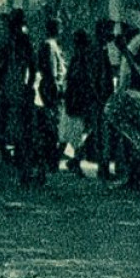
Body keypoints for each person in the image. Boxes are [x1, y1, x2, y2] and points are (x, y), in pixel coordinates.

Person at [105, 8, 140, 189]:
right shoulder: (133, 42)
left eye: (126, 26)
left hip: (138, 96)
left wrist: (125, 51)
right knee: (128, 139)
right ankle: (132, 177)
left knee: (138, 138)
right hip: (126, 94)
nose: (123, 30)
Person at [0, 9, 36, 170]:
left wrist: (0, 85)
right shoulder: (24, 41)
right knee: (18, 119)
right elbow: (33, 68)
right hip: (18, 84)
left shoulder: (7, 41)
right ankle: (17, 152)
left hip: (7, 84)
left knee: (0, 118)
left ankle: (5, 152)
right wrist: (28, 85)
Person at [84, 18, 118, 179]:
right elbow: (94, 77)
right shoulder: (97, 51)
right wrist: (99, 97)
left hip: (99, 97)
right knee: (102, 134)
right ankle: (102, 168)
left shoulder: (98, 49)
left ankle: (101, 166)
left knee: (100, 133)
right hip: (100, 98)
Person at [35, 17, 68, 180]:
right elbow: (51, 70)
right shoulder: (49, 45)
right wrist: (56, 87)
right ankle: (49, 159)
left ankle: (49, 158)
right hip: (51, 87)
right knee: (52, 124)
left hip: (51, 86)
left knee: (53, 124)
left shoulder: (50, 44)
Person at [58, 27, 92, 175]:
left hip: (71, 98)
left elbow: (70, 79)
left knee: (67, 133)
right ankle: (75, 162)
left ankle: (57, 160)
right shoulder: (84, 59)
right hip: (78, 100)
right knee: (78, 134)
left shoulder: (76, 58)